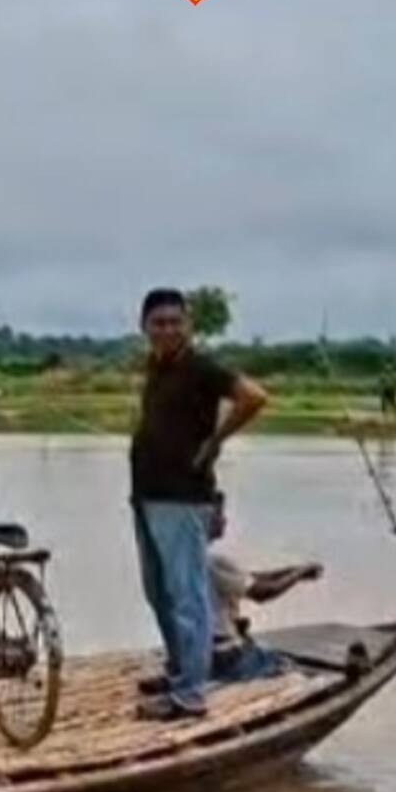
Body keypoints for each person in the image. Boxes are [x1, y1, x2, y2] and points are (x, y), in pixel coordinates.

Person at [128, 287, 269, 721]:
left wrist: (216, 441)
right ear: (145, 327)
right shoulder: (157, 367)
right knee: (158, 592)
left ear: (188, 325)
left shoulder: (201, 368)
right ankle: (179, 670)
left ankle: (190, 694)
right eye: (159, 323)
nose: (168, 329)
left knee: (188, 594)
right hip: (147, 494)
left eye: (176, 322)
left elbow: (254, 397)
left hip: (182, 497)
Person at [203, 493, 323, 683]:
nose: (225, 520)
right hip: (222, 658)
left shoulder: (193, 559)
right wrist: (299, 574)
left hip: (198, 652)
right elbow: (263, 593)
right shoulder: (214, 562)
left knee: (264, 652)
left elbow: (252, 578)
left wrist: (295, 570)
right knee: (285, 665)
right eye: (220, 514)